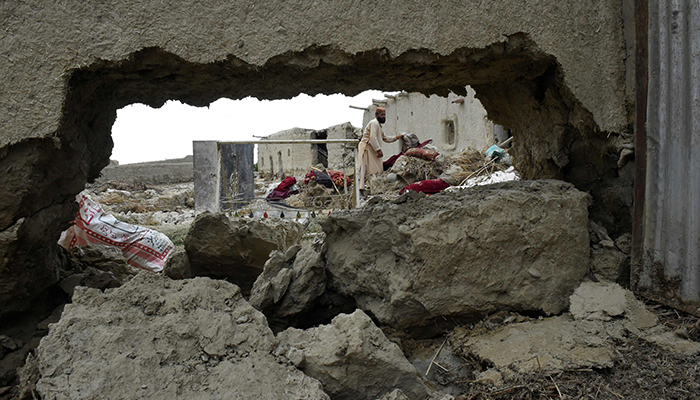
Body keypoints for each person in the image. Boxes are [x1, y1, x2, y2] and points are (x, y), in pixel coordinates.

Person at [357, 107, 403, 191]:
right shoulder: (374, 123)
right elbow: (372, 137)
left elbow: (385, 138)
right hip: (367, 148)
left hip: (372, 150)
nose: (383, 117)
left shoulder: (378, 125)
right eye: (382, 115)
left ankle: (370, 188)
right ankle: (363, 189)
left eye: (384, 115)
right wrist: (378, 149)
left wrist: (396, 137)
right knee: (367, 170)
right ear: (376, 115)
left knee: (377, 170)